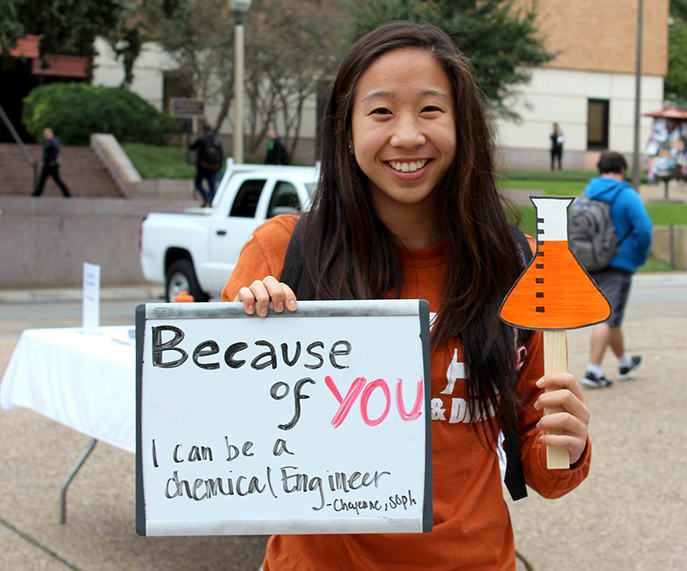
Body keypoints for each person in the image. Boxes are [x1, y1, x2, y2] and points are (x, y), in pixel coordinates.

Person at [222, 21, 591, 570]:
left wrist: (568, 442)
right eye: (380, 112)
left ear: (463, 126)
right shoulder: (282, 252)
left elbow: (544, 470)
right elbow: (221, 429)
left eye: (431, 110)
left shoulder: (517, 263)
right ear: (345, 130)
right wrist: (241, 337)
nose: (407, 135)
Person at [580, 152, 653, 389]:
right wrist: (639, 254)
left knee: (612, 316)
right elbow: (644, 228)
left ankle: (624, 362)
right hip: (619, 262)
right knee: (607, 317)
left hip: (591, 261)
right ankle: (593, 370)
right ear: (622, 170)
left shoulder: (586, 194)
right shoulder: (627, 195)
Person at [190, 123, 224, 207]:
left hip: (203, 166)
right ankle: (212, 202)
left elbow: (192, 147)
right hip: (214, 167)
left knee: (198, 183)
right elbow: (221, 155)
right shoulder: (216, 140)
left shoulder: (202, 139)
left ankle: (206, 197)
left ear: (203, 131)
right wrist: (219, 167)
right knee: (212, 186)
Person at [32, 128, 71, 197]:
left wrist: (52, 160)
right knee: (43, 179)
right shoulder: (48, 142)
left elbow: (56, 150)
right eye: (45, 134)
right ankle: (37, 193)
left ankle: (67, 193)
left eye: (47, 134)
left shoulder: (53, 141)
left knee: (55, 179)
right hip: (47, 163)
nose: (46, 135)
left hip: (52, 164)